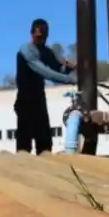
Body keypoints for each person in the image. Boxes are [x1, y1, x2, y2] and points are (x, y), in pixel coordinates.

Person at [15, 18, 76, 154]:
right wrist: (69, 79)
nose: (38, 39)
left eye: (41, 37)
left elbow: (56, 68)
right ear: (31, 33)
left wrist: (70, 68)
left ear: (46, 36)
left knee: (45, 142)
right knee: (24, 144)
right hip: (25, 100)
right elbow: (46, 72)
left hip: (39, 100)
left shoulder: (46, 51)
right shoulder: (26, 50)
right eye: (36, 36)